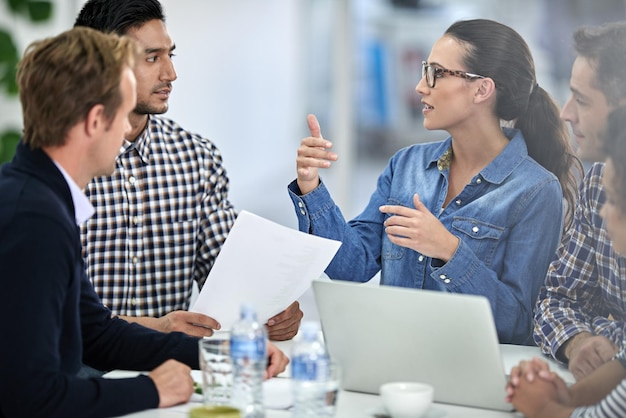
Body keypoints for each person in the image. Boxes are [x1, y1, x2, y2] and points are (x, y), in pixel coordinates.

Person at [0, 25, 287, 417]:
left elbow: (95, 333)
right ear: (95, 121)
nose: (126, 130)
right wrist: (150, 391)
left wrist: (218, 353)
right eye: (121, 113)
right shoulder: (35, 221)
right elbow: (31, 398)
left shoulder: (38, 196)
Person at [288, 18, 580, 345]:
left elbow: (519, 323)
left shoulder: (537, 191)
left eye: (436, 73)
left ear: (482, 89)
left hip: (473, 378)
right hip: (395, 366)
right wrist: (310, 186)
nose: (420, 86)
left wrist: (449, 250)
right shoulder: (406, 164)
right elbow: (352, 267)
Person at [73, 0, 302, 341]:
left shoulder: (197, 158)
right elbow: (55, 310)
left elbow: (227, 274)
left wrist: (274, 307)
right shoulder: (64, 164)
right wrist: (155, 328)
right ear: (102, 67)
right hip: (85, 366)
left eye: (170, 55)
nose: (170, 73)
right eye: (152, 58)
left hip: (174, 366)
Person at [507, 106, 626, 418]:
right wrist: (566, 394)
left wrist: (545, 408)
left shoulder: (537, 190)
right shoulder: (599, 176)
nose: (603, 211)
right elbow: (622, 368)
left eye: (613, 200)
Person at [533, 21, 626, 380]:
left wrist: (610, 335)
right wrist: (579, 341)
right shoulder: (599, 184)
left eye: (582, 100)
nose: (566, 113)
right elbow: (555, 299)